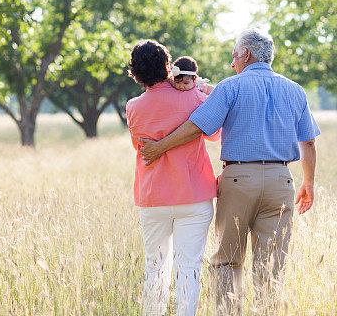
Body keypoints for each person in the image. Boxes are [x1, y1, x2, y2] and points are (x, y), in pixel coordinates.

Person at [139, 28, 319, 314]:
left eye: (234, 56)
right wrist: (309, 182)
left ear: (246, 54)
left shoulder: (231, 86)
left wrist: (160, 147)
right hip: (281, 181)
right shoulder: (295, 89)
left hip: (238, 181)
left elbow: (197, 126)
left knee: (227, 262)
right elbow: (308, 141)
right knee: (271, 266)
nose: (232, 64)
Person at [125, 40, 221, 316]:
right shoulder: (194, 96)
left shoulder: (133, 107)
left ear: (136, 72)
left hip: (153, 196)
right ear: (168, 66)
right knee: (189, 265)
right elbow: (215, 135)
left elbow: (139, 147)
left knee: (155, 266)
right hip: (194, 195)